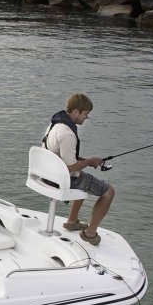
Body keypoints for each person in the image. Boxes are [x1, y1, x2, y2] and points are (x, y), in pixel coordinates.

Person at [42, 92, 115, 247]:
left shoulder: (55, 125)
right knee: (108, 192)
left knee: (83, 177)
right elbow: (70, 167)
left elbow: (64, 157)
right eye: (85, 114)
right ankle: (90, 234)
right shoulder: (67, 134)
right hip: (62, 177)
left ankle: (72, 221)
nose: (87, 118)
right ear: (76, 111)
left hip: (48, 173)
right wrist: (89, 161)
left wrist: (88, 160)